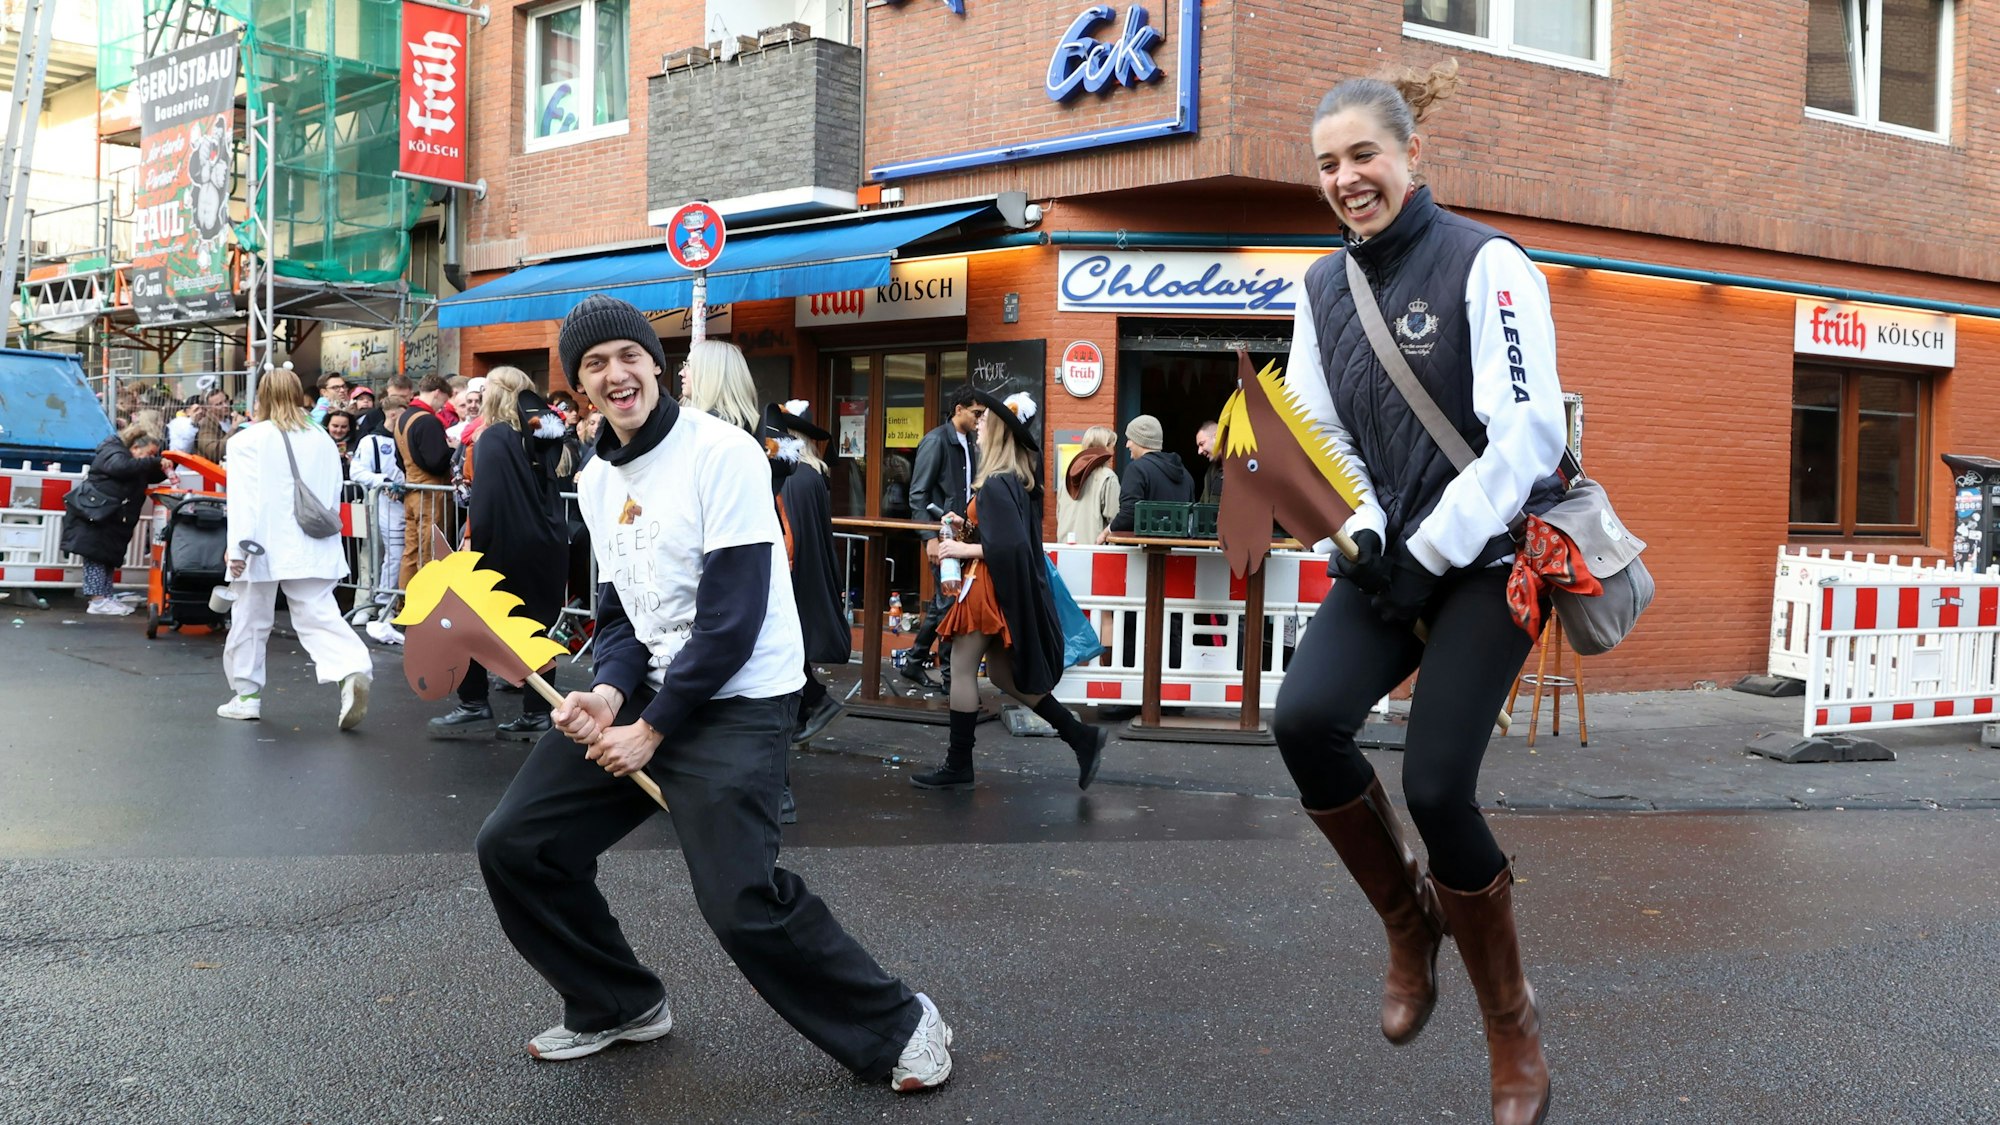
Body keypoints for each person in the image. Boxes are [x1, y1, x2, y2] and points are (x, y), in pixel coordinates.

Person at [473, 294, 954, 1090]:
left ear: (655, 364)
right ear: (580, 386)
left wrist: (650, 727)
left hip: (739, 700)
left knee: (740, 900)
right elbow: (622, 609)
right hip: (656, 692)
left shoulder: (722, 453)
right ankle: (617, 1001)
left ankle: (900, 1021)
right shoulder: (595, 475)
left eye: (627, 355)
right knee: (516, 843)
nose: (615, 374)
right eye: (594, 365)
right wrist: (607, 692)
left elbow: (732, 621)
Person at [1271, 62, 1564, 1125]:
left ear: (1408, 156)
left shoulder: (1487, 266)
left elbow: (1529, 436)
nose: (1346, 179)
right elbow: (1315, 426)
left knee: (1438, 788)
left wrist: (1427, 551)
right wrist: (1357, 529)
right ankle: (1406, 919)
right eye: (1327, 165)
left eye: (1362, 156)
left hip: (1486, 556)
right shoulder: (1318, 288)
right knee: (1302, 720)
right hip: (1388, 550)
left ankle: (1510, 1021)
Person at [909, 390, 1106, 791]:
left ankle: (958, 765)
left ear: (996, 432)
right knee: (1001, 673)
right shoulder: (1014, 481)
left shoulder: (997, 483)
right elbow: (1010, 538)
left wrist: (963, 545)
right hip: (998, 589)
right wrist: (968, 528)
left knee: (962, 670)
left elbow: (1011, 545)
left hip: (984, 589)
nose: (978, 427)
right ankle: (1080, 737)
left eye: (984, 422)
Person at [679, 339, 805, 821]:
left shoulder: (727, 439)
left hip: (740, 560)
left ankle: (773, 787)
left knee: (748, 662)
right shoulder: (752, 432)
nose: (682, 374)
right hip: (747, 559)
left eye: (690, 367)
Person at [215, 367, 373, 729]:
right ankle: (351, 669)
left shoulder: (246, 441)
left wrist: (236, 550)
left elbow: (243, 499)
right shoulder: (321, 438)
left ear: (263, 396)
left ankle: (247, 695)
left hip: (260, 543)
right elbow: (334, 493)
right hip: (313, 540)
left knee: (249, 621)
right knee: (318, 614)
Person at [427, 368, 570, 742]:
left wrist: (472, 542)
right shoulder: (538, 435)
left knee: (468, 621)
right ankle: (538, 712)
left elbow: (486, 501)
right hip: (545, 543)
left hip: (504, 544)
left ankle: (473, 704)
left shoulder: (493, 438)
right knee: (531, 628)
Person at [762, 401, 849, 749]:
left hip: (791, 573)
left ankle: (813, 702)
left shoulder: (795, 478)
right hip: (802, 572)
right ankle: (801, 714)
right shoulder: (813, 475)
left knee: (779, 644)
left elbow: (790, 536)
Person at [897, 387, 981, 689]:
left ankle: (914, 661)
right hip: (942, 535)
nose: (980, 419)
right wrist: (928, 537)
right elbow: (917, 494)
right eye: (976, 413)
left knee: (944, 600)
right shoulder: (936, 440)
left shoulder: (970, 442)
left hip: (961, 535)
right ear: (958, 409)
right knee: (950, 599)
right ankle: (948, 676)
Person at [61, 425, 170, 616]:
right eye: (149, 454)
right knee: (96, 556)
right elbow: (123, 467)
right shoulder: (113, 452)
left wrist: (166, 465)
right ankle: (97, 600)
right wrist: (156, 462)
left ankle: (105, 596)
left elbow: (147, 473)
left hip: (107, 514)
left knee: (106, 557)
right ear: (135, 448)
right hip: (97, 514)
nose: (150, 458)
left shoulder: (127, 457)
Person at [393, 373, 457, 591]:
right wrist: (452, 449)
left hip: (412, 489)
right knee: (431, 551)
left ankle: (404, 604)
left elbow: (399, 459)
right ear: (438, 393)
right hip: (431, 493)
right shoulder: (428, 420)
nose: (443, 407)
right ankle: (427, 609)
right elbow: (436, 461)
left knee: (411, 550)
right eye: (444, 401)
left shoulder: (403, 418)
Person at [349, 391, 407, 626]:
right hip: (380, 502)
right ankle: (374, 604)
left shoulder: (405, 438)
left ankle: (385, 602)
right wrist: (383, 481)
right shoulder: (371, 441)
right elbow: (357, 471)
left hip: (401, 503)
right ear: (393, 413)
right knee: (377, 556)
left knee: (394, 555)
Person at [1101, 414, 1196, 542]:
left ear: (1141, 441)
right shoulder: (1185, 474)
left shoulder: (1136, 469)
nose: (1127, 445)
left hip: (1143, 554)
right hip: (1179, 553)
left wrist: (1106, 531)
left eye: (1130, 439)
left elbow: (1129, 514)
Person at [1057, 424, 1120, 545]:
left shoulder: (1068, 477)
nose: (1113, 452)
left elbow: (1060, 515)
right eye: (1112, 447)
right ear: (1105, 448)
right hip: (1095, 550)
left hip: (1064, 548)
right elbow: (1115, 520)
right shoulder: (1108, 477)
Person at [193, 389, 234, 464]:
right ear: (209, 408)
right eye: (219, 404)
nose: (225, 405)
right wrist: (234, 429)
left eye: (226, 401)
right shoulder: (206, 425)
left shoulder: (230, 418)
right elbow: (214, 453)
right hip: (214, 471)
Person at [1194, 419, 1224, 503]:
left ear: (1216, 437)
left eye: (1202, 444)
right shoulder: (1211, 471)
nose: (1199, 451)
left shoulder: (1239, 468)